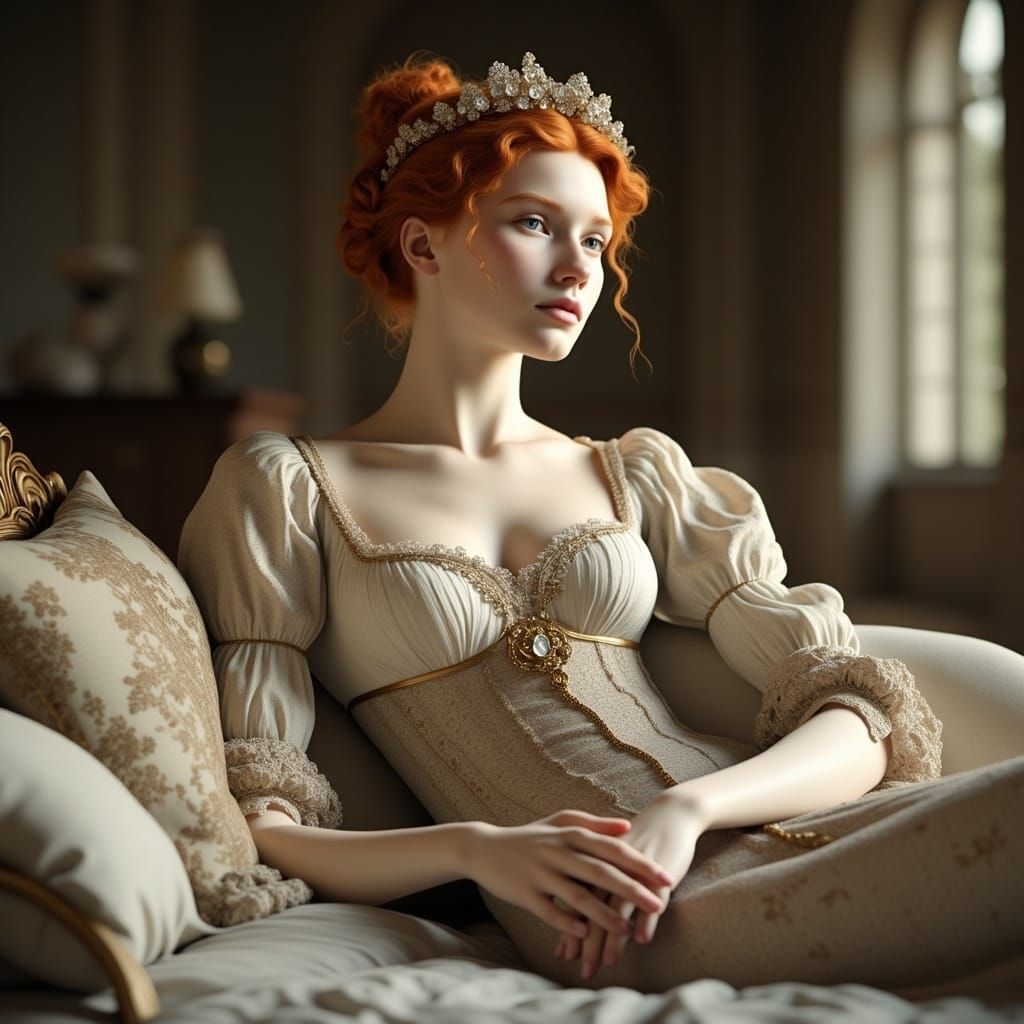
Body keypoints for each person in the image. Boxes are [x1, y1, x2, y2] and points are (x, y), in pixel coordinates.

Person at [177, 50, 1023, 994]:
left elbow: (860, 713)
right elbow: (265, 826)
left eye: (594, 238)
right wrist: (477, 851)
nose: (579, 266)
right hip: (628, 915)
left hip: (752, 821)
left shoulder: (638, 474)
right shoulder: (287, 486)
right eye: (534, 223)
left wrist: (691, 810)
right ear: (422, 245)